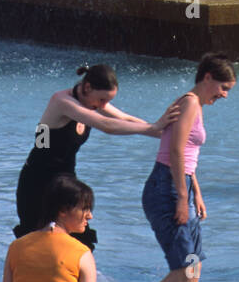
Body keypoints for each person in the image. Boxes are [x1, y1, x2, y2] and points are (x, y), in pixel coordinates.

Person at [15, 62, 178, 244]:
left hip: (65, 180)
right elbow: (106, 125)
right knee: (36, 242)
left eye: (108, 101)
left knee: (77, 240)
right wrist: (154, 127)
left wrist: (169, 135)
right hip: (37, 181)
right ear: (87, 87)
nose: (104, 105)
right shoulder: (61, 101)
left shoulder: (92, 102)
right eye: (102, 100)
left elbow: (126, 119)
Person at [142, 53, 236, 282]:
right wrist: (183, 198)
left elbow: (188, 156)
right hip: (167, 186)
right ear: (207, 77)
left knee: (195, 263)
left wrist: (197, 193)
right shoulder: (190, 102)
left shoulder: (197, 105)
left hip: (181, 183)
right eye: (223, 88)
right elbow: (175, 149)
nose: (225, 94)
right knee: (184, 269)